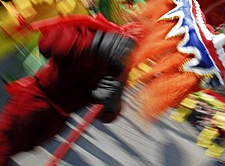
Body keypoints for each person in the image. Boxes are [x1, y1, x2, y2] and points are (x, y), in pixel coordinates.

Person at [0, 17, 136, 165]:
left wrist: (112, 105)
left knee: (15, 149)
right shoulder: (90, 32)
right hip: (35, 101)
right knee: (4, 143)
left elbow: (108, 115)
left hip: (57, 120)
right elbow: (47, 44)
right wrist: (93, 44)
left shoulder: (119, 69)